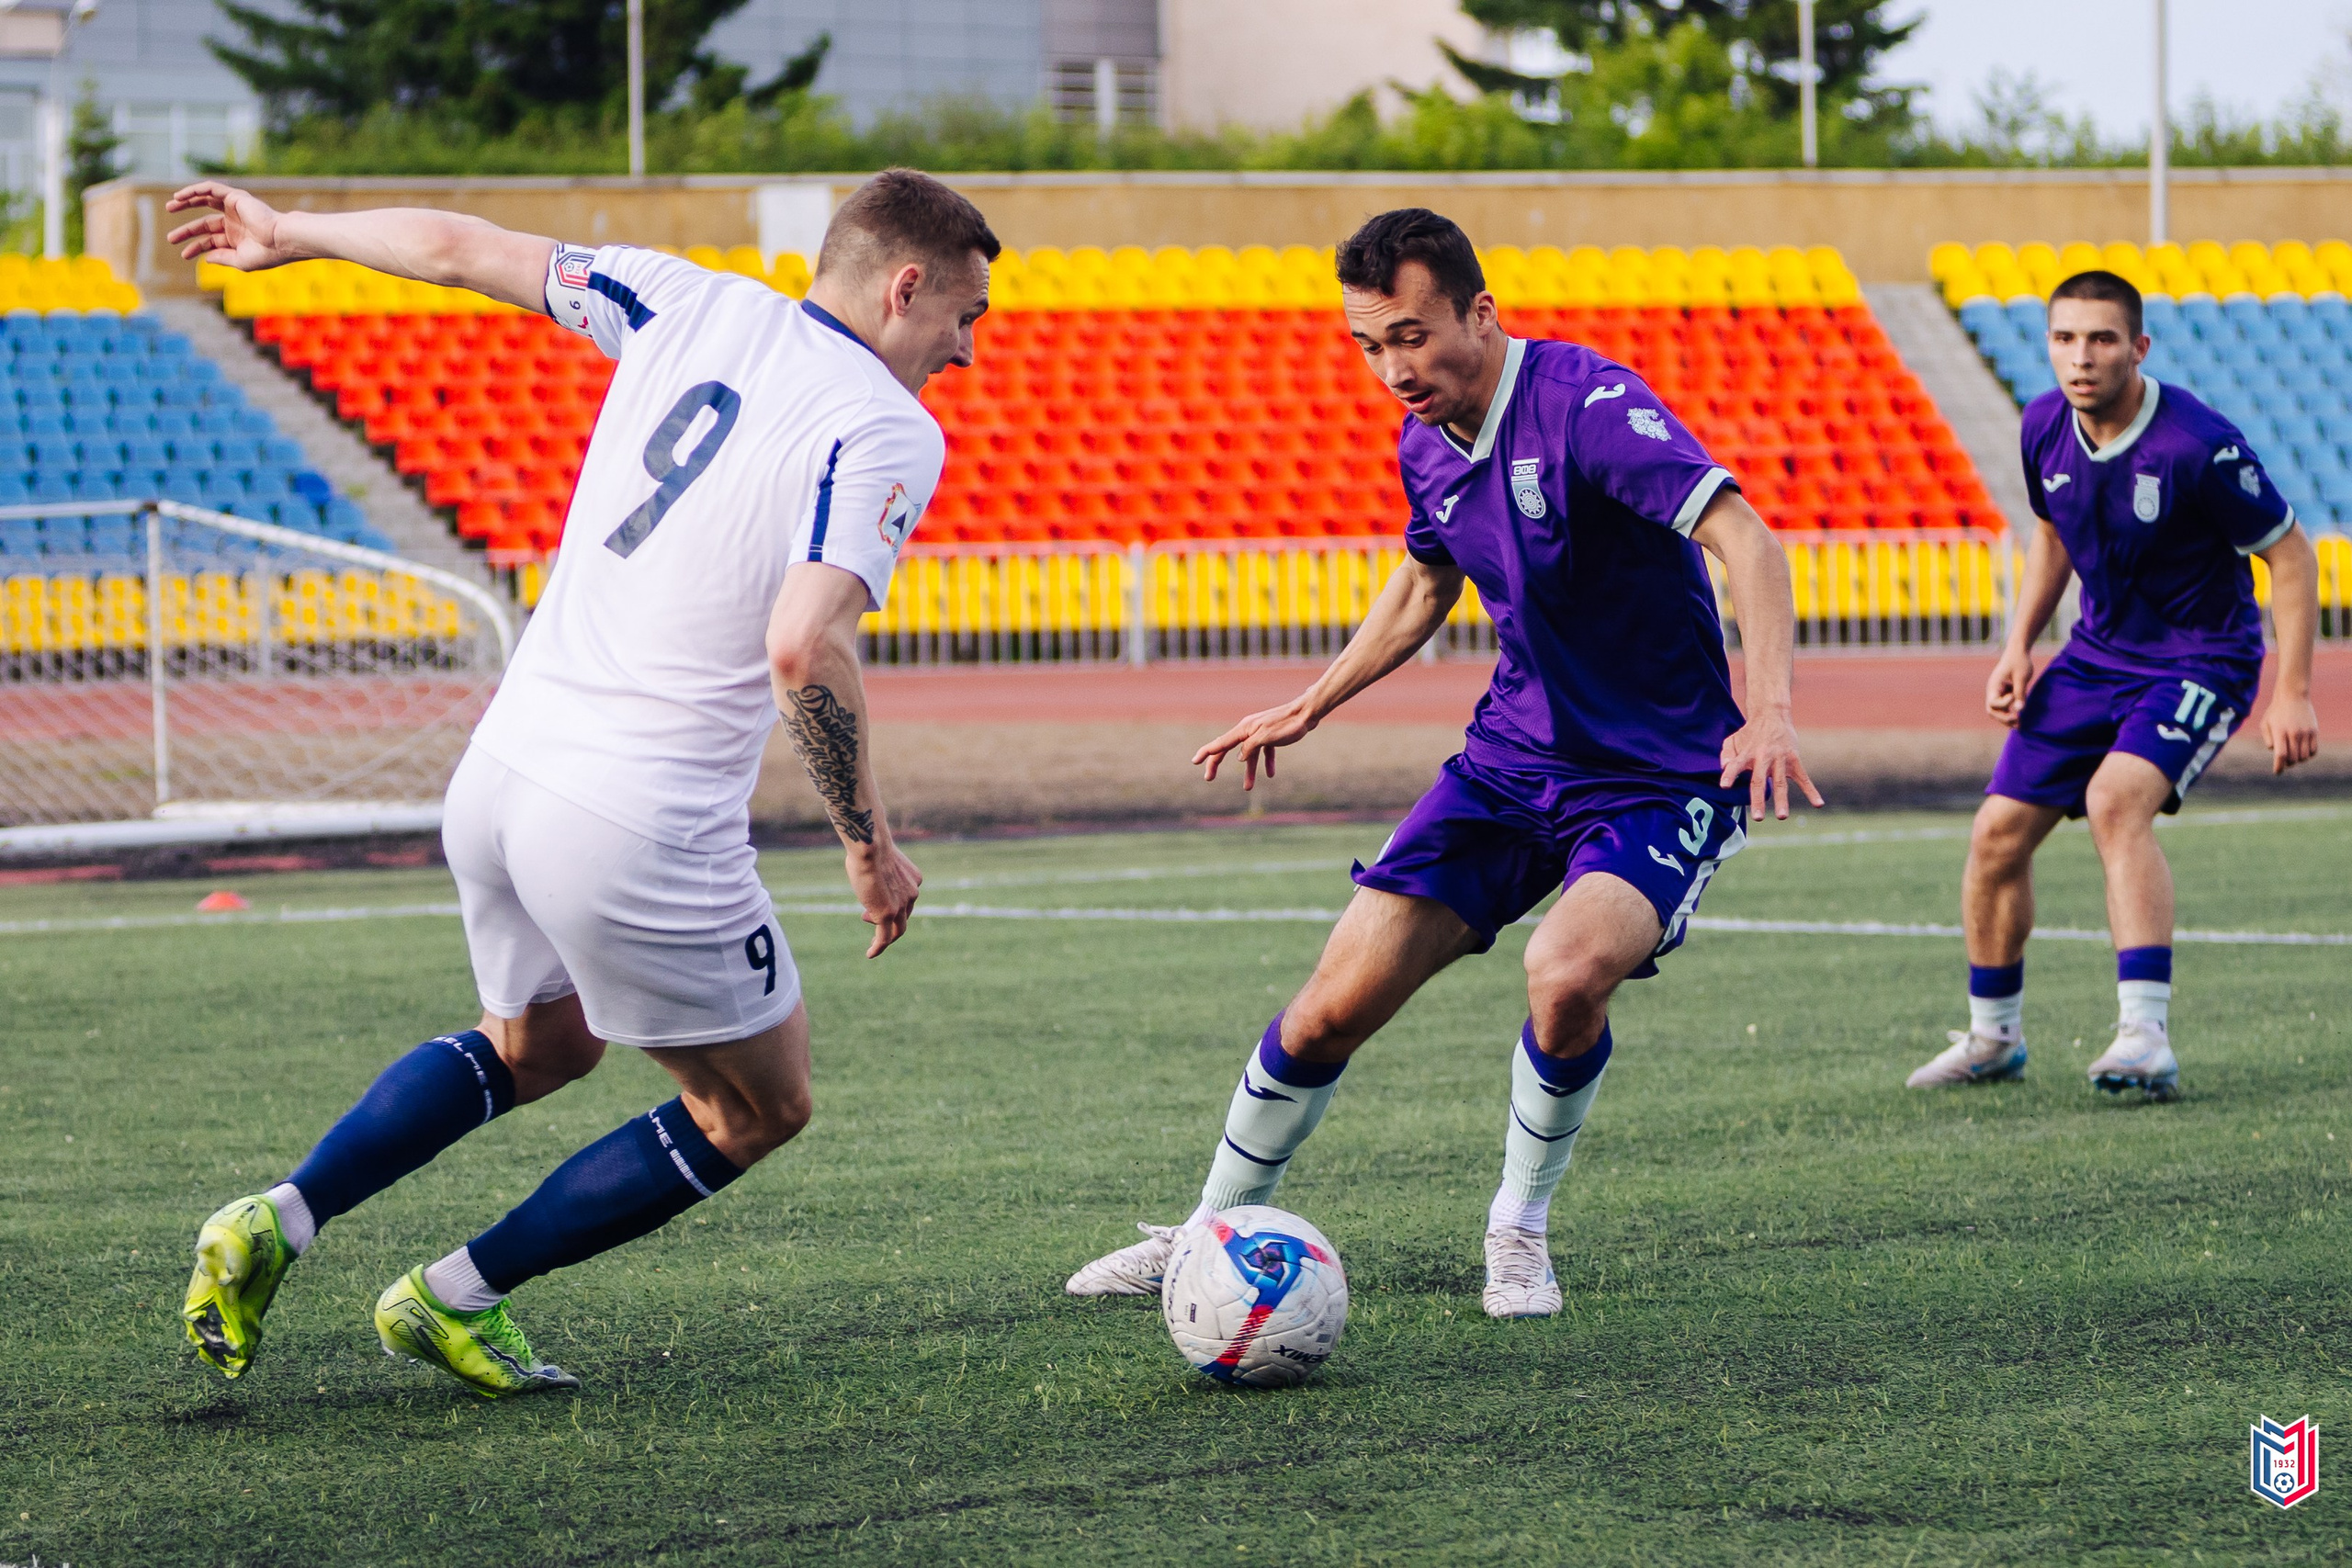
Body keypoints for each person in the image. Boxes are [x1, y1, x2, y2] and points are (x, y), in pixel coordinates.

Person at [173, 169, 995, 1395]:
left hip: (501, 773)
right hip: (633, 819)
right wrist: (867, 840)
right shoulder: (884, 424)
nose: (966, 352)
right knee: (758, 1107)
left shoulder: (681, 296)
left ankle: (277, 1214)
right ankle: (453, 1294)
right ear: (905, 284)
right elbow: (801, 646)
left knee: (541, 1039)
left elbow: (457, 244)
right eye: (964, 318)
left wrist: (290, 235)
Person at [1065, 209, 1821, 1320]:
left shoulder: (1587, 407)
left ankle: (1517, 1225)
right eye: (1369, 346)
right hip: (1511, 764)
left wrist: (1768, 711)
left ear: (1481, 312)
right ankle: (1203, 1232)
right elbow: (1425, 586)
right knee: (1327, 1011)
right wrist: (1309, 703)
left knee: (1566, 974)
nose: (1391, 370)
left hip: (1659, 776)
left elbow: (1745, 538)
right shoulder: (1423, 441)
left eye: (1411, 337)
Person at [1907, 270, 2321, 1101]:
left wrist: (2294, 689)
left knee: (2114, 800)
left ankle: (2144, 1034)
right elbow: (2055, 532)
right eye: (2064, 338)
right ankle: (1993, 1037)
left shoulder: (2198, 443)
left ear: (2139, 347)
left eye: (2101, 339)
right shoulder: (2041, 426)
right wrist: (2018, 645)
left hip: (2202, 657)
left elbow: (2291, 554)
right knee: (1994, 836)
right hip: (2096, 657)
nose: (2081, 357)